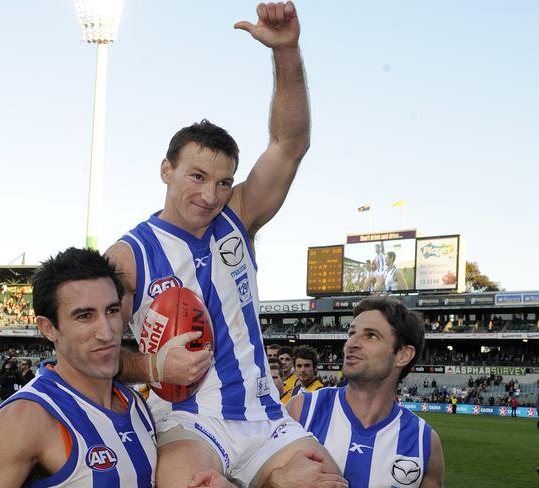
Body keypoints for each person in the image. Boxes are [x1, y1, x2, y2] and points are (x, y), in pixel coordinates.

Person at [106, 3, 344, 487]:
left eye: (223, 182)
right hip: (186, 420)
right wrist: (151, 365)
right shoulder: (129, 256)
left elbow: (289, 143)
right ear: (165, 170)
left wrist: (287, 51)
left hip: (264, 414)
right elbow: (94, 353)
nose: (210, 195)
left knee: (327, 482)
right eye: (196, 177)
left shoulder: (238, 217)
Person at [0, 248, 157, 487]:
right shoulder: (24, 419)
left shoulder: (136, 403)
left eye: (112, 311)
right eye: (84, 316)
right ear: (48, 328)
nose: (107, 333)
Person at [286, 296, 445, 488]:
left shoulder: (424, 442)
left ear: (403, 355)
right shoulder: (301, 410)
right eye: (351, 333)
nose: (351, 343)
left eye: (371, 336)